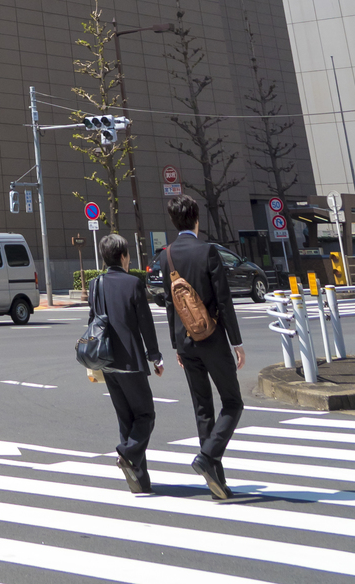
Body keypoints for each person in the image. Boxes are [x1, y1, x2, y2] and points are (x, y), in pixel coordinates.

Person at [163, 192, 245, 500]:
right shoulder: (207, 251)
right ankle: (207, 457)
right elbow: (224, 300)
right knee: (233, 402)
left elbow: (170, 304)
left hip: (185, 342)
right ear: (196, 219)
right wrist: (236, 342)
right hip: (211, 339)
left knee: (203, 409)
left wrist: (176, 345)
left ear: (174, 221)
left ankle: (216, 482)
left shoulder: (167, 255)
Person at [89, 232, 164, 493]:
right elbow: (146, 323)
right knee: (146, 415)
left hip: (107, 360)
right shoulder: (133, 283)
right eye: (128, 254)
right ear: (123, 256)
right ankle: (127, 453)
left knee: (126, 420)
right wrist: (155, 356)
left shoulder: (95, 284)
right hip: (131, 361)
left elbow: (92, 322)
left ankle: (139, 481)